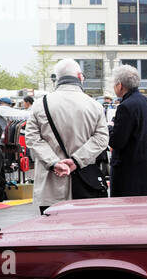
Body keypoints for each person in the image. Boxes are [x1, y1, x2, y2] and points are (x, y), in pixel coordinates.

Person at [24, 59, 110, 213]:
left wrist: (54, 162)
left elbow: (32, 138)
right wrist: (76, 160)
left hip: (50, 186)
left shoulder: (40, 104)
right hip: (85, 184)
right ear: (79, 76)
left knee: (53, 231)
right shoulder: (94, 105)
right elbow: (102, 138)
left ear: (56, 78)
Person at [108, 64, 147, 197]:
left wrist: (109, 130)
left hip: (128, 172)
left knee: (127, 213)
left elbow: (117, 142)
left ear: (120, 85)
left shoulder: (125, 106)